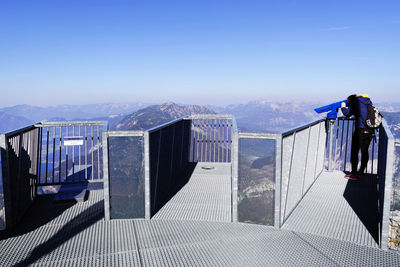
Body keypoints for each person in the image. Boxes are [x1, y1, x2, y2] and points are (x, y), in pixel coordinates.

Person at [341, 94, 374, 180]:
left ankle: (354, 173)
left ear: (350, 100)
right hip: (370, 130)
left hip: (360, 130)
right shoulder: (368, 102)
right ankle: (361, 172)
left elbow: (347, 114)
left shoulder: (355, 102)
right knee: (365, 151)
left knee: (355, 151)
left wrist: (343, 107)